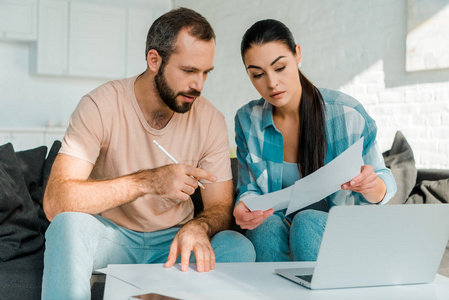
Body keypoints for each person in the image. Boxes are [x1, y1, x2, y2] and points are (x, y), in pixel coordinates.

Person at [42, 7, 255, 299]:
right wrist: (148, 182)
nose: (199, 85)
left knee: (236, 245)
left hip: (175, 242)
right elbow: (55, 202)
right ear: (154, 60)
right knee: (66, 225)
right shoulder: (100, 105)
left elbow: (219, 206)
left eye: (206, 72)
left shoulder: (210, 120)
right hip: (113, 237)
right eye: (189, 71)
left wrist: (199, 226)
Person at [233, 19, 397, 262]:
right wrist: (244, 207)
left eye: (280, 68)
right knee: (263, 228)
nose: (271, 83)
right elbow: (249, 190)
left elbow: (385, 182)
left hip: (342, 232)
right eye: (257, 74)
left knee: (307, 222)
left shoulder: (346, 113)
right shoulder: (248, 120)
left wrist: (372, 185)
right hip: (280, 228)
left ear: (297, 55)